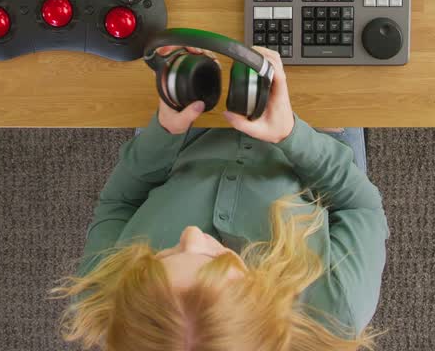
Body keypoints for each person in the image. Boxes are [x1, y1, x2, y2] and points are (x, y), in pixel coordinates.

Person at [53, 45, 388, 351]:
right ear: (263, 308)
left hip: (183, 132)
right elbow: (360, 205)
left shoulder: (105, 299)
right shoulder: (338, 311)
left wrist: (166, 130)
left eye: (161, 257)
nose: (191, 235)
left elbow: (119, 203)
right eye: (218, 258)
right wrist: (293, 134)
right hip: (311, 134)